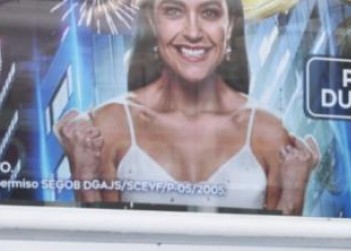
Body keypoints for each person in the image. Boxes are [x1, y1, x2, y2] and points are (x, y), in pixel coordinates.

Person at [56, 0, 318, 212]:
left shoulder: (267, 130)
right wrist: (82, 169)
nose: (193, 33)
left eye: (209, 12)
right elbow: (103, 248)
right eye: (173, 10)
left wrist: (295, 188)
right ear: (151, 22)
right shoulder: (111, 123)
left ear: (229, 25)